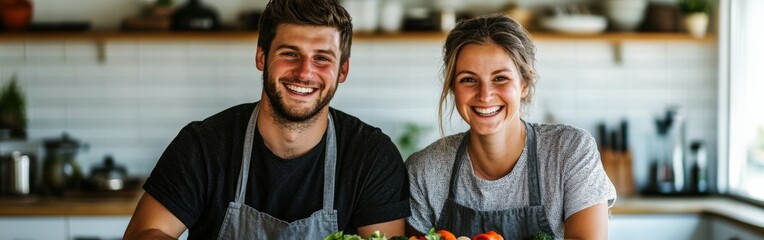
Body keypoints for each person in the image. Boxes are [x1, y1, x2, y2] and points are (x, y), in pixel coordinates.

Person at [123, 0, 410, 239]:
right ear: (262, 56)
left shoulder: (372, 157)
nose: (304, 72)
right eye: (289, 53)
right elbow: (145, 231)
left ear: (342, 71)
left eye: (322, 58)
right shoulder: (204, 145)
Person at [405, 15, 616, 239]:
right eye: (469, 79)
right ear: (452, 88)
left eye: (500, 78)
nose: (485, 95)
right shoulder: (424, 171)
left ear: (524, 84)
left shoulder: (569, 152)